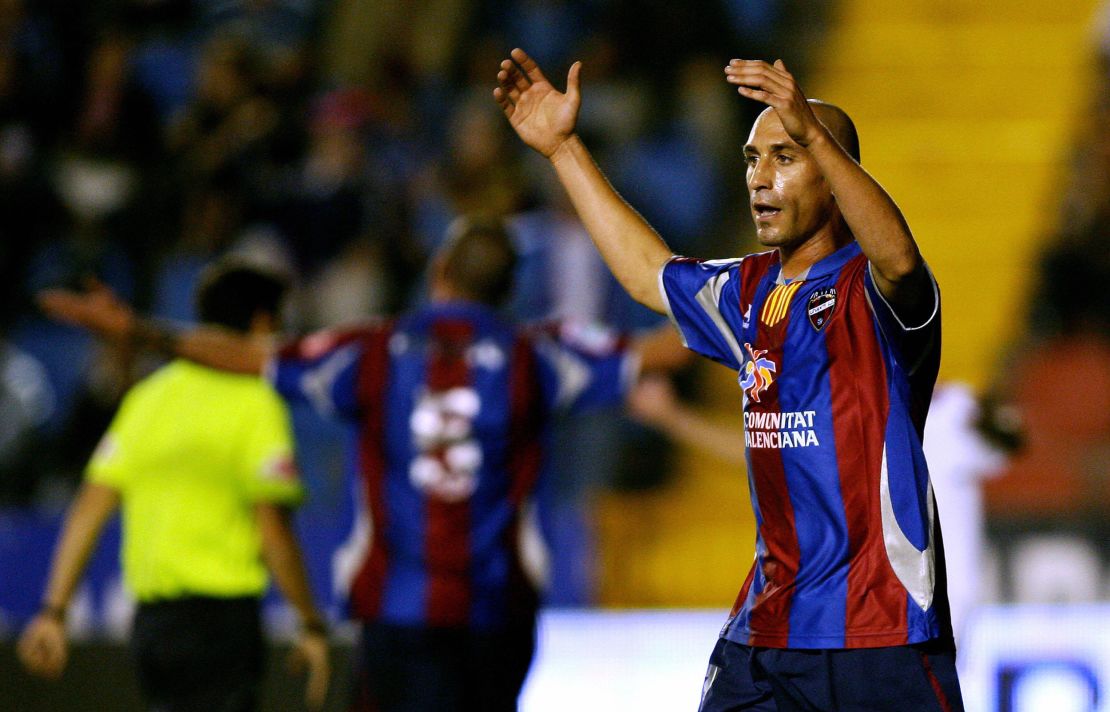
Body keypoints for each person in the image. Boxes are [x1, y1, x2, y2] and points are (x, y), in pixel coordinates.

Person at [39, 219, 688, 711]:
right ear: (511, 289)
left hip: (397, 613)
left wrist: (145, 331)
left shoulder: (369, 352)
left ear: (439, 271)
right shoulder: (539, 356)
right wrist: (759, 302)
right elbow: (662, 351)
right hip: (498, 615)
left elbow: (251, 357)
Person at [494, 48, 962, 710]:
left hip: (880, 633)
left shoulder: (874, 293)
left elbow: (902, 259)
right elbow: (647, 271)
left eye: (786, 155)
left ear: (831, 173)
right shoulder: (743, 291)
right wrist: (563, 150)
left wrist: (815, 132)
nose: (760, 178)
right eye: (751, 159)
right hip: (765, 633)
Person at [19, 261, 330, 712]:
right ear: (264, 323)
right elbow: (273, 530)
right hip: (222, 624)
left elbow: (89, 508)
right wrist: (310, 623)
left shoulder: (148, 398)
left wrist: (54, 611)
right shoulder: (255, 400)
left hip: (152, 628)